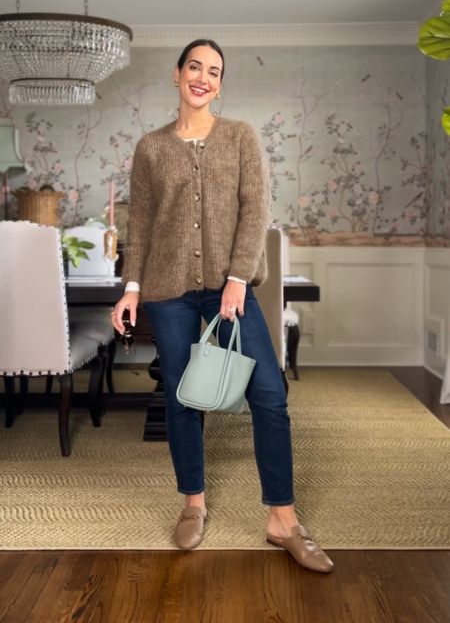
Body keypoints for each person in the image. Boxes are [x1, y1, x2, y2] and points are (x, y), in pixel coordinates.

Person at [111, 39, 333, 573]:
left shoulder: (240, 137)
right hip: (166, 292)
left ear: (220, 83)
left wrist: (237, 278)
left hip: (228, 288)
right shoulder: (151, 147)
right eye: (195, 67)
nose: (204, 78)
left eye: (214, 71)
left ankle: (282, 518)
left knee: (270, 395)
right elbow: (139, 223)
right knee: (184, 398)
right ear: (177, 74)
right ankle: (193, 503)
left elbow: (255, 209)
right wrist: (132, 287)